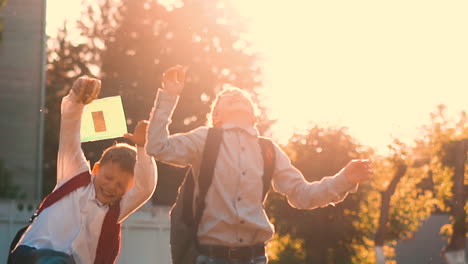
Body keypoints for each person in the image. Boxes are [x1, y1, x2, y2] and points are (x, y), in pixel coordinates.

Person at [146, 65, 371, 264]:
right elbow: (158, 147)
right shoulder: (205, 139)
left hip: (255, 258)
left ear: (254, 117)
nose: (235, 95)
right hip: (210, 257)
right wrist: (169, 95)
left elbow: (302, 195)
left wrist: (344, 179)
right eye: (227, 97)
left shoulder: (268, 150)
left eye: (243, 97)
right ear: (217, 118)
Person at [9, 76, 157, 264]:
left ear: (128, 189)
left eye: (121, 185)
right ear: (96, 168)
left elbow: (145, 188)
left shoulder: (117, 209)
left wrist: (144, 150)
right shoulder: (75, 176)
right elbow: (69, 136)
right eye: (109, 177)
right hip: (32, 255)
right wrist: (76, 101)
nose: (111, 187)